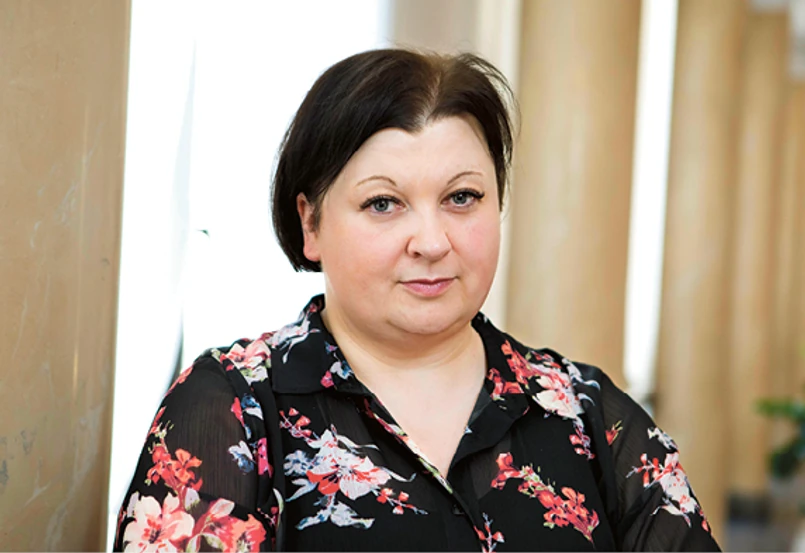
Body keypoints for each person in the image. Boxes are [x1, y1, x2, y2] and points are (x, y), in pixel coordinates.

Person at [114, 49, 720, 552]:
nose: (431, 242)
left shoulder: (588, 415)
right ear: (311, 223)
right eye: (383, 203)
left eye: (462, 198)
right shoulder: (234, 406)